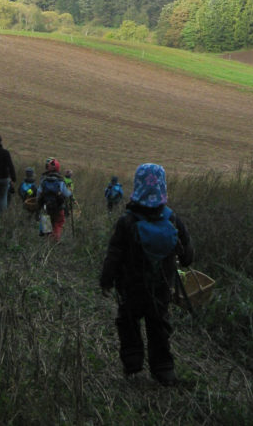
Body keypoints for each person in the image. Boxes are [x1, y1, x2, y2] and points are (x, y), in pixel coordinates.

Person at [99, 163, 193, 385]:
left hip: (130, 288)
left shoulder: (127, 221)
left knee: (128, 323)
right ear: (163, 187)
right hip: (161, 289)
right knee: (159, 326)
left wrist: (106, 280)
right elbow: (188, 255)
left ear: (137, 186)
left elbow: (114, 255)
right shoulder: (172, 219)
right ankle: (164, 370)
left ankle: (133, 364)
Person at [38, 157, 72, 242]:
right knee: (58, 223)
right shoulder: (60, 180)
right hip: (58, 207)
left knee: (47, 225)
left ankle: (47, 242)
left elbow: (38, 193)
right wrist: (70, 193)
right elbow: (66, 194)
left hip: (46, 206)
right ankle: (55, 241)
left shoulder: (44, 180)